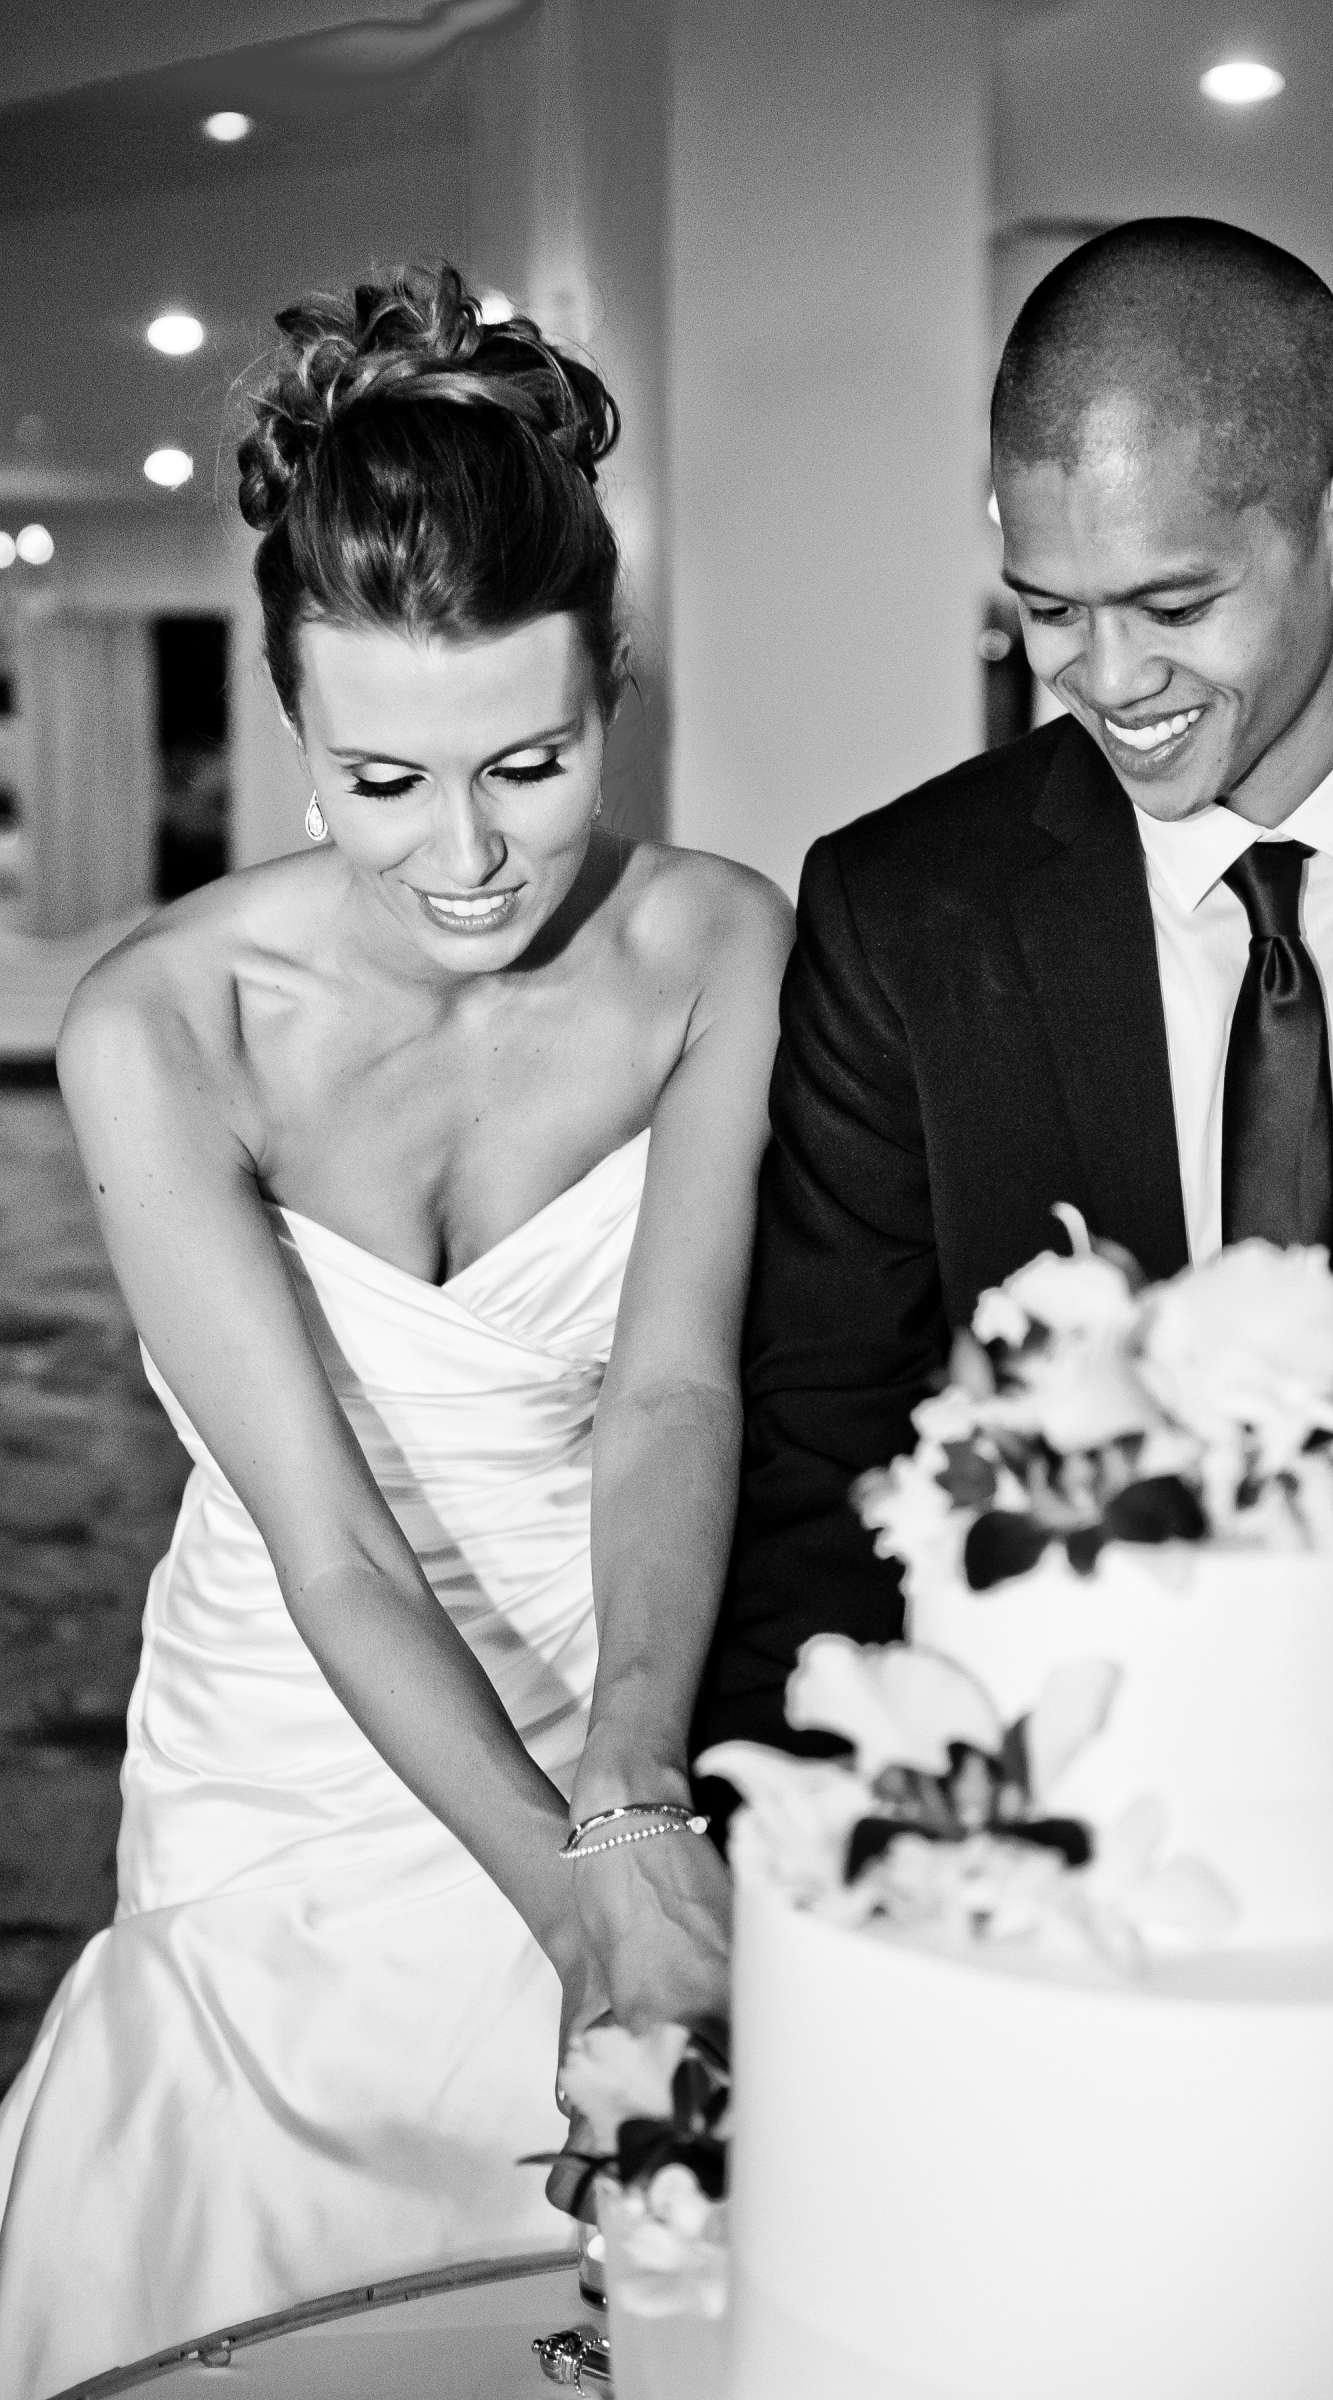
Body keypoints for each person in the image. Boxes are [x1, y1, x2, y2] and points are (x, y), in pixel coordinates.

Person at [0, 265, 789, 2400]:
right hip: (289, 1739)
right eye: (376, 781)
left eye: (527, 764)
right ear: (287, 720)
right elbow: (332, 1543)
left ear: (610, 684)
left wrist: (628, 1790)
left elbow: (672, 1386)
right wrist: (568, 1908)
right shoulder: (158, 1028)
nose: (462, 857)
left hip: (616, 1642)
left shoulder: (713, 942)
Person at [696, 216, 1333, 1854]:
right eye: (1049, 610)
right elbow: (822, 1452)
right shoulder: (903, 915)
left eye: (1175, 602)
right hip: (1108, 1818)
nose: (1108, 681)